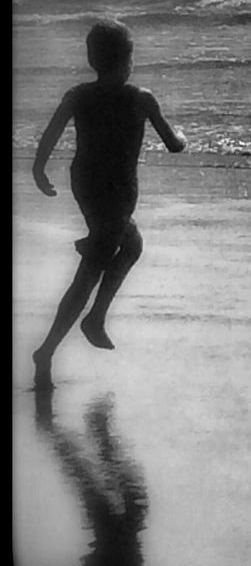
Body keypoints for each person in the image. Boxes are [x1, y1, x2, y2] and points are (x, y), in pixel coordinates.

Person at [31, 19, 187, 390]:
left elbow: (51, 133)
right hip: (116, 191)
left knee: (130, 245)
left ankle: (95, 318)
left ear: (91, 59)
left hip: (86, 184)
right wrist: (183, 134)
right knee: (92, 269)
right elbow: (173, 144)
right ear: (129, 60)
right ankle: (50, 348)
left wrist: (38, 168)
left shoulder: (78, 95)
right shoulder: (141, 99)